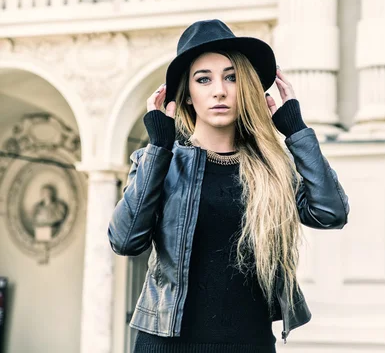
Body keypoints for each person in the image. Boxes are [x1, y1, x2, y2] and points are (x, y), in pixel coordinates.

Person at [108, 19, 350, 353]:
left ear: (246, 88)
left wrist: (295, 130)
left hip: (248, 343)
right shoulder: (160, 163)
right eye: (203, 79)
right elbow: (125, 240)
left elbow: (330, 212)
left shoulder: (272, 168)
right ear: (188, 96)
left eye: (231, 77)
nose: (219, 90)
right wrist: (159, 148)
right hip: (167, 345)